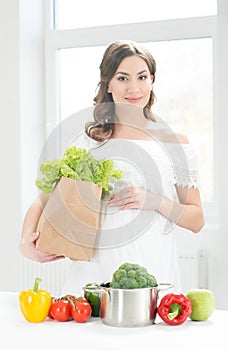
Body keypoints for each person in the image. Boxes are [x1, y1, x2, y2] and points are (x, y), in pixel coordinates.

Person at [20, 40, 204, 294]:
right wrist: (25, 242)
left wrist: (154, 201)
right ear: (108, 83)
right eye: (122, 78)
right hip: (92, 271)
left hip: (151, 267)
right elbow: (43, 200)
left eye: (141, 77)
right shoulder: (88, 142)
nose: (134, 88)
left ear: (152, 80)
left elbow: (196, 219)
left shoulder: (174, 143)